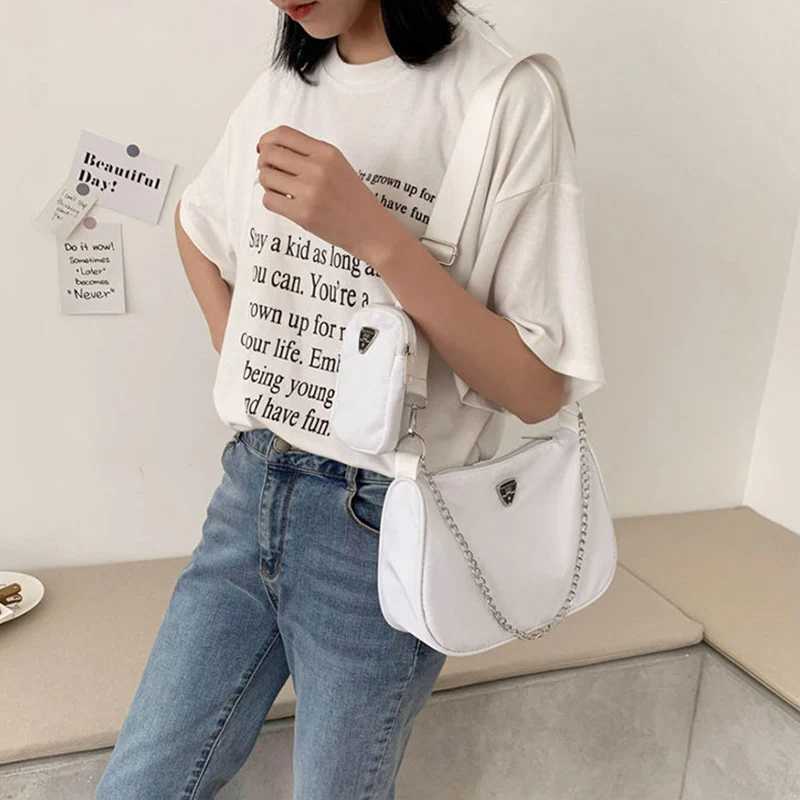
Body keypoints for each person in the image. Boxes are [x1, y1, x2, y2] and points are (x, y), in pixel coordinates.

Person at [94, 1, 606, 798]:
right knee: (138, 784)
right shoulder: (286, 83)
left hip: (378, 529)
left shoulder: (504, 95)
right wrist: (247, 353)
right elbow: (197, 225)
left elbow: (537, 388)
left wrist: (379, 238)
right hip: (249, 491)